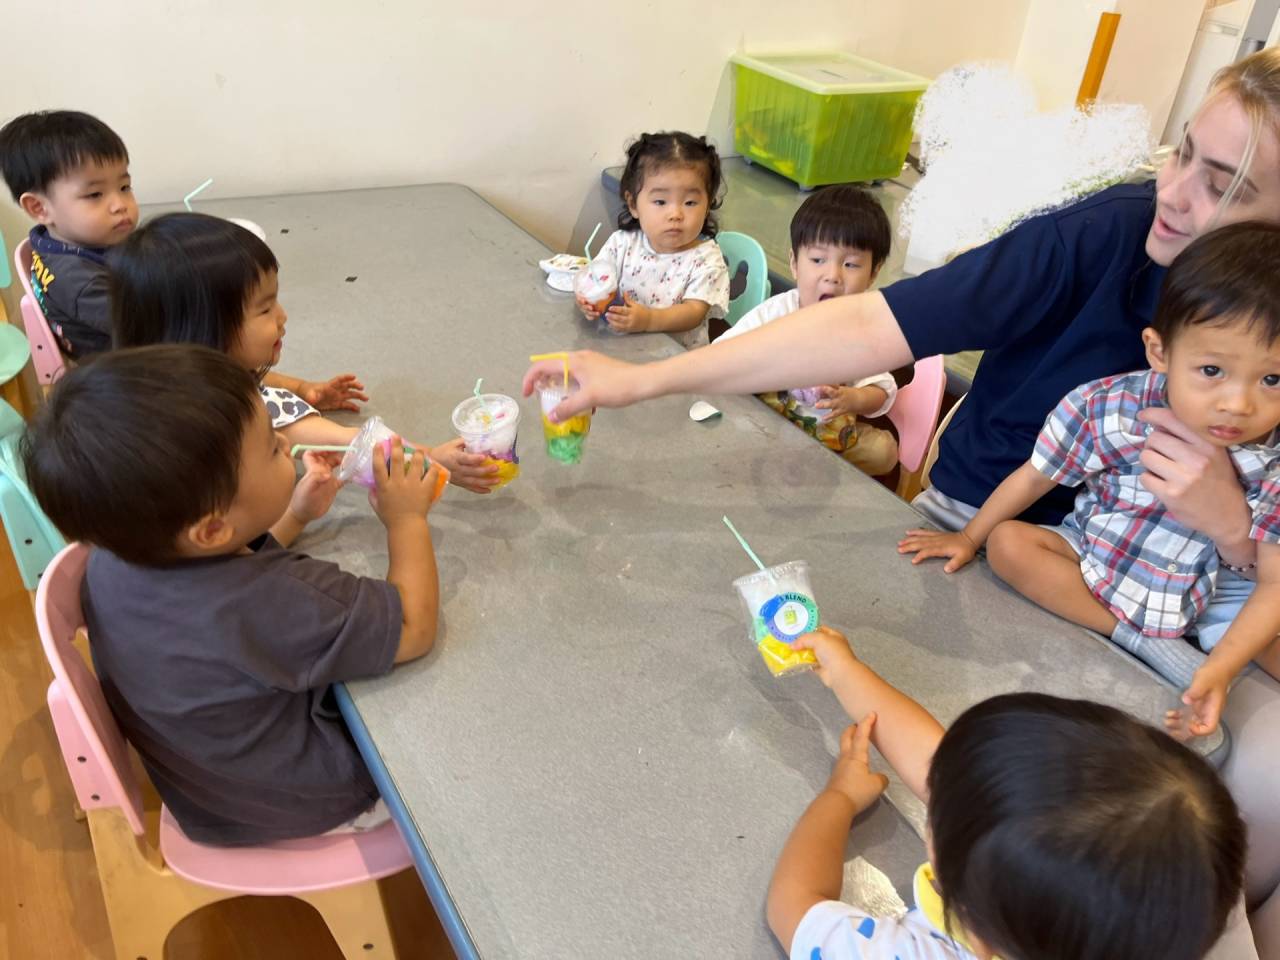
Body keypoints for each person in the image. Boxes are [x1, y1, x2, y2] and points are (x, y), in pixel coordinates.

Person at [526, 49, 1280, 953]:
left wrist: (1234, 533)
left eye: (1227, 187)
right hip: (1000, 540)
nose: (1178, 194)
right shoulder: (1101, 236)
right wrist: (639, 384)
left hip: (1173, 618)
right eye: (1185, 151)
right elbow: (868, 328)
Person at [23, 345, 441, 844]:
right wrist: (407, 519)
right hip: (308, 802)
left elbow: (221, 584)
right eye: (271, 447)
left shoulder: (118, 553)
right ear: (213, 528)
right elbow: (415, 627)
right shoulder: (274, 600)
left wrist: (296, 515)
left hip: (208, 792)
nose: (287, 449)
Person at [900, 222, 1280, 737]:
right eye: (1212, 371)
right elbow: (1036, 476)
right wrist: (969, 536)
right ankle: (1142, 641)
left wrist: (1223, 667)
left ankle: (1191, 658)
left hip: (1215, 590)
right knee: (1010, 544)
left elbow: (1273, 583)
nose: (1238, 404)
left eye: (1272, 379)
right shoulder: (1111, 404)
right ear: (1160, 351)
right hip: (1099, 555)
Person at [768, 626, 1247, 960]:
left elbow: (793, 902)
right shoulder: (1175, 887)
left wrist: (840, 797)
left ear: (976, 929)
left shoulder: (914, 951)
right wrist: (847, 673)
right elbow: (964, 782)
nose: (935, 790)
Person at [112, 212, 500, 493]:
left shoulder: (190, 370)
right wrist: (432, 457)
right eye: (264, 309)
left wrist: (302, 387)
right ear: (200, 332)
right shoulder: (216, 428)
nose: (282, 317)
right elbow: (343, 441)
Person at [715, 185, 899, 476]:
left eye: (851, 264)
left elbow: (882, 391)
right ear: (794, 263)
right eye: (817, 260)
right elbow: (722, 353)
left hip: (829, 437)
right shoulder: (777, 312)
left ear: (873, 273)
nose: (833, 276)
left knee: (884, 452)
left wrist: (853, 398)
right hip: (766, 427)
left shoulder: (864, 328)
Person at [0, 110, 137, 359]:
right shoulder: (80, 283)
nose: (120, 205)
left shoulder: (52, 240)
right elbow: (152, 324)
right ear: (39, 208)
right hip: (125, 377)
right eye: (95, 195)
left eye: (124, 187)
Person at [576, 131, 730, 349]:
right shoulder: (622, 244)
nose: (675, 214)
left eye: (690, 202)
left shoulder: (706, 259)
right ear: (633, 204)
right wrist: (589, 303)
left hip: (677, 366)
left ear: (707, 206)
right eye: (660, 201)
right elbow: (595, 280)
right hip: (620, 351)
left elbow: (694, 313)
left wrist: (648, 320)